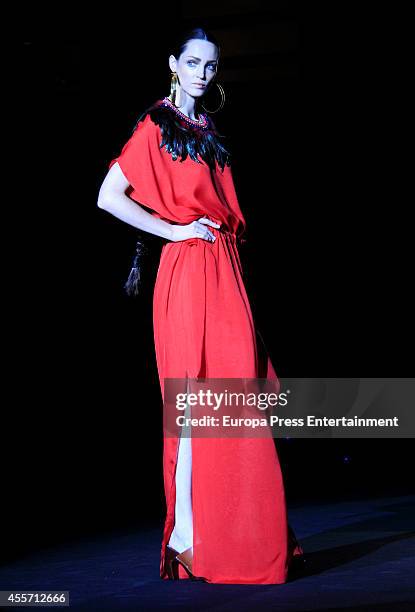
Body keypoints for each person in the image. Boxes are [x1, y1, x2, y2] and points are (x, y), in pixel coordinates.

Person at [97, 27, 304, 585]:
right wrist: (172, 230)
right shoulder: (157, 124)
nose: (202, 73)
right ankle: (189, 538)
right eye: (193, 62)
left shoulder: (206, 128)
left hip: (226, 269)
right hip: (189, 271)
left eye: (211, 66)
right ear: (173, 63)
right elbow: (107, 195)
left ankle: (237, 533)